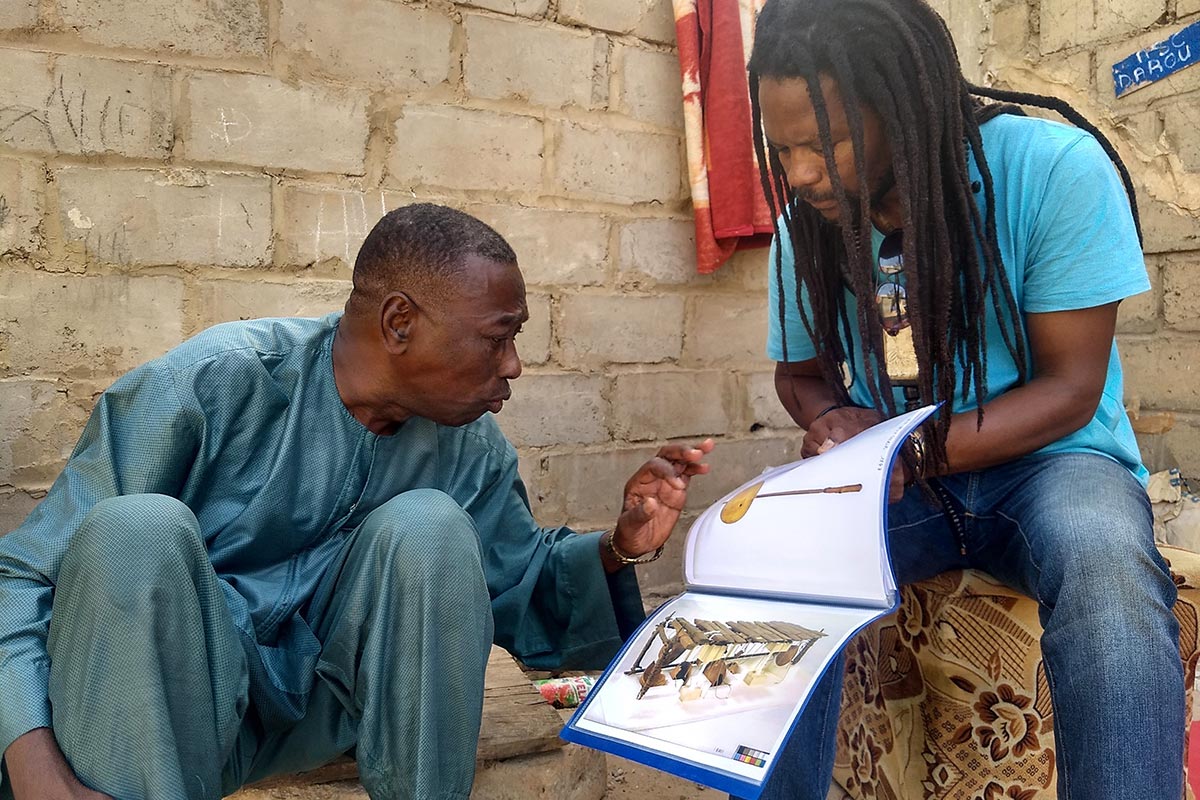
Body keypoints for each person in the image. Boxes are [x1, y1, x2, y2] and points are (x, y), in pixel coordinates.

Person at [0, 203, 714, 800]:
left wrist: (623, 545)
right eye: (498, 338)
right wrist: (33, 767)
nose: (514, 366)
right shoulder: (212, 384)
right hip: (164, 716)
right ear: (399, 323)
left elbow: (519, 584)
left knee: (430, 525)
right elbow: (23, 577)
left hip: (331, 709)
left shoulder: (468, 445)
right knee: (135, 531)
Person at [741, 0, 1184, 798]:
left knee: (1106, 567)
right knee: (773, 559)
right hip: (899, 479)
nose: (802, 172)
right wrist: (831, 418)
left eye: (826, 143)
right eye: (786, 149)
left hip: (1052, 464)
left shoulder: (1051, 169)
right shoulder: (805, 223)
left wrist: (908, 447)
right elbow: (800, 374)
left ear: (905, 104)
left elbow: (1071, 390)